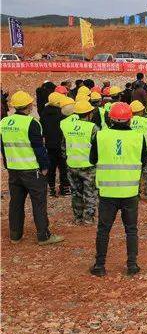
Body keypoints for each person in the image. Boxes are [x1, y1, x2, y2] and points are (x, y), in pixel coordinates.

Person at [90, 102, 147, 276]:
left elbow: (93, 159)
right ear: (130, 119)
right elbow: (143, 161)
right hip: (129, 191)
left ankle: (99, 266)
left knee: (103, 229)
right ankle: (132, 265)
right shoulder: (138, 137)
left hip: (107, 192)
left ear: (111, 118)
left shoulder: (100, 136)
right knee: (131, 229)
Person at [0, 91, 62, 245]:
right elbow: (39, 148)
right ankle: (43, 235)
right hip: (32, 170)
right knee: (39, 203)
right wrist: (44, 166)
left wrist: (7, 164)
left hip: (14, 170)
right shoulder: (32, 123)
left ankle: (15, 235)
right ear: (28, 106)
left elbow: (3, 147)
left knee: (15, 203)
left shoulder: (4, 122)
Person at [60, 99, 98, 225]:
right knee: (90, 192)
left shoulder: (67, 126)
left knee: (76, 192)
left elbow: (63, 147)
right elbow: (98, 147)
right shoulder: (92, 128)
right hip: (88, 166)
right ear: (89, 113)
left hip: (72, 165)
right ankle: (88, 218)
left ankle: (78, 217)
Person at [40, 91, 71, 196]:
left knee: (51, 167)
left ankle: (51, 188)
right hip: (61, 144)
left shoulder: (44, 113)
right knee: (63, 167)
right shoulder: (62, 113)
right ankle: (64, 188)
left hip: (49, 144)